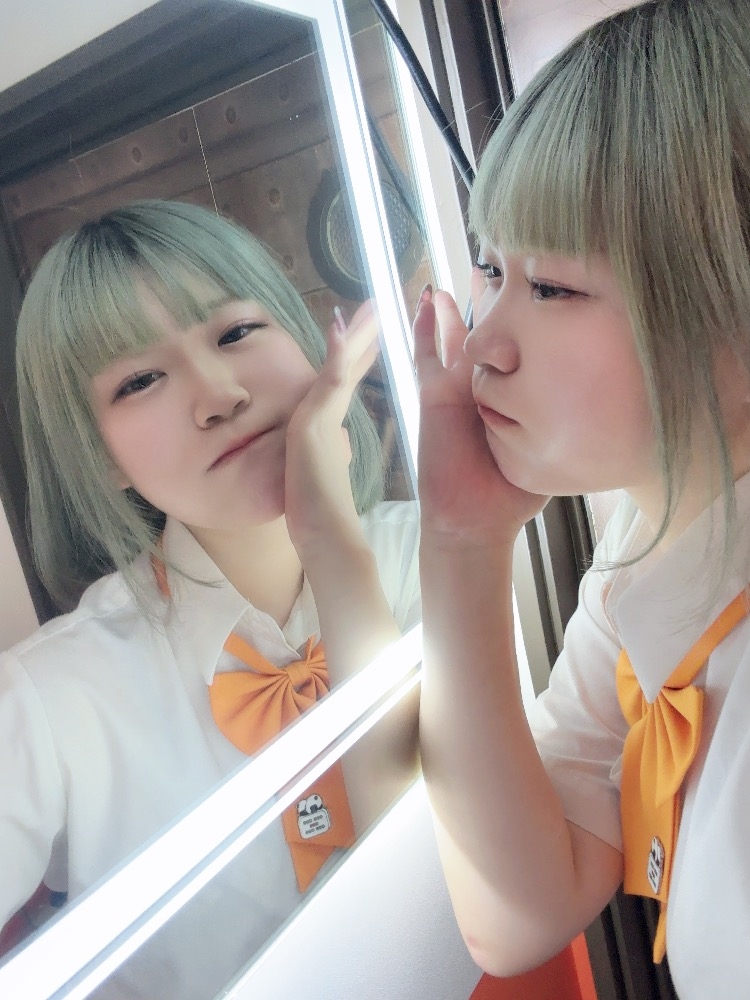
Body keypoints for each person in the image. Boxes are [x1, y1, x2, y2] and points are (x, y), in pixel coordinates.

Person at [414, 2, 750, 998]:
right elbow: (518, 912)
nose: (484, 341)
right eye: (491, 270)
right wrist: (461, 542)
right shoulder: (649, 547)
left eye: (552, 287)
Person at [0, 199, 420, 995]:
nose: (220, 394)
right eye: (140, 380)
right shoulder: (50, 698)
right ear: (98, 456)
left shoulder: (439, 557)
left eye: (235, 332)